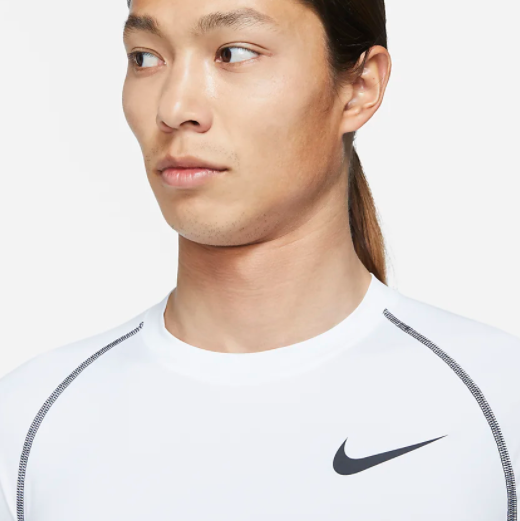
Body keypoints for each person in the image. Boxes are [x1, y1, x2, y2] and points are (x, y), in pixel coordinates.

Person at [1, 0, 519, 519]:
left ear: (360, 88)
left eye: (233, 53)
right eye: (145, 58)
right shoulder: (29, 424)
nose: (174, 107)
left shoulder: (499, 403)